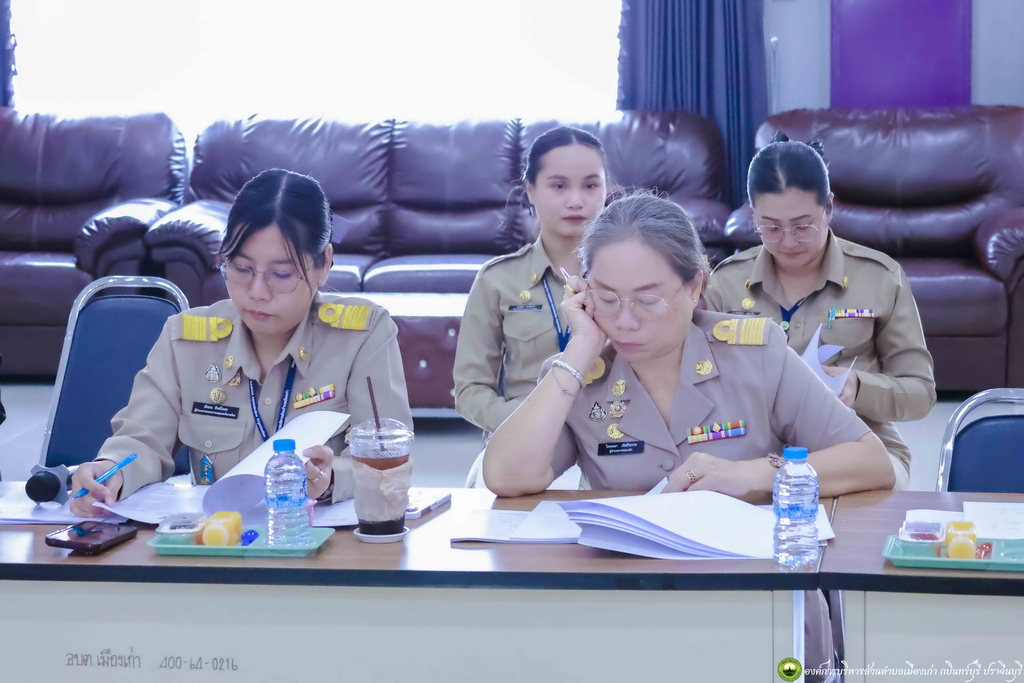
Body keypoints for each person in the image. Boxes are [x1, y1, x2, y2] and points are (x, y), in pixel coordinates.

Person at [483, 191, 894, 500]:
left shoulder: (756, 354)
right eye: (606, 298)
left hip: (739, 571)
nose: (625, 321)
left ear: (695, 286)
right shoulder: (575, 377)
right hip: (625, 573)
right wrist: (581, 348)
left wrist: (753, 474)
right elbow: (505, 477)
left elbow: (872, 462)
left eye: (648, 300)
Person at [70, 169, 411, 517]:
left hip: (317, 538)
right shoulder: (187, 340)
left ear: (324, 264)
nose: (257, 292)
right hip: (217, 540)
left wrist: (333, 477)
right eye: (241, 268)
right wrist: (109, 471)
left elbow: (387, 462)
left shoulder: (361, 336)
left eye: (282, 274)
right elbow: (141, 440)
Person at [705, 134, 935, 490]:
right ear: (753, 216)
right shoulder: (727, 283)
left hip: (859, 445)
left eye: (803, 225)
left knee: (869, 498)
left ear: (829, 207)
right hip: (755, 450)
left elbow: (920, 393)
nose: (787, 241)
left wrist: (857, 387)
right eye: (770, 226)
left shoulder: (879, 277)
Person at [453, 126, 609, 485]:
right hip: (524, 441)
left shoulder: (630, 279)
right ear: (531, 190)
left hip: (611, 438)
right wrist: (529, 421)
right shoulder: (498, 280)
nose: (576, 200)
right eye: (559, 186)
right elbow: (470, 390)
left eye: (590, 185)